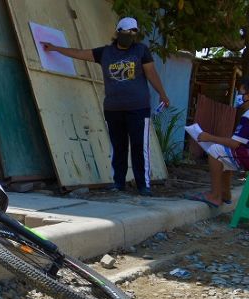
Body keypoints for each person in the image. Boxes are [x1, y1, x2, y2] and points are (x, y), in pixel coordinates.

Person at [42, 17, 169, 196]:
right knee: (118, 146)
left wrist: (163, 93)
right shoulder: (105, 53)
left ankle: (143, 185)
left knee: (140, 147)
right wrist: (55, 48)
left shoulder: (141, 50)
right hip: (113, 109)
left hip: (138, 108)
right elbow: (79, 53)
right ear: (118, 33)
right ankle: (118, 182)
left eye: (134, 32)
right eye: (126, 32)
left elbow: (151, 74)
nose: (130, 35)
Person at [186, 77, 249, 208]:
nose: (238, 96)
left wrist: (208, 137)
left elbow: (235, 144)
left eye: (240, 93)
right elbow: (239, 143)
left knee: (216, 150)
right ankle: (225, 193)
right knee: (226, 153)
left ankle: (215, 196)